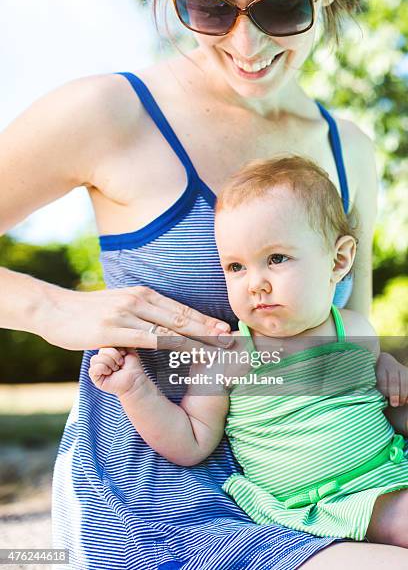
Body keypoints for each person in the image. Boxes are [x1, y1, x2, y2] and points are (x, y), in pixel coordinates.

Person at [1, 0, 408, 567]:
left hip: (338, 478)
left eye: (281, 6)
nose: (246, 43)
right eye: (210, 8)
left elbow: (351, 327)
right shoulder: (110, 112)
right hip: (158, 498)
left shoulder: (349, 149)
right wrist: (50, 308)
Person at [89, 155, 408, 545]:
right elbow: (191, 440)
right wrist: (135, 389)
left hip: (392, 470)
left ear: (339, 260)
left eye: (276, 259)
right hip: (325, 503)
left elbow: (388, 410)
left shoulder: (354, 330)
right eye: (236, 267)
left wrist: (393, 375)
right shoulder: (231, 356)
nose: (255, 283)